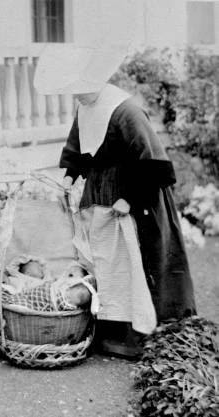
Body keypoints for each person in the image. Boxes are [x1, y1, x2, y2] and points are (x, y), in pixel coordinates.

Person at [34, 44, 196, 358]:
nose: (77, 95)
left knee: (133, 264)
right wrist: (69, 177)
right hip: (100, 197)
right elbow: (77, 148)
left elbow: (153, 163)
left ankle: (138, 335)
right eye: (72, 90)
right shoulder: (84, 108)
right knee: (105, 263)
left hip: (135, 197)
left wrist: (130, 199)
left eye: (80, 88)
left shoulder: (126, 110)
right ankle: (109, 331)